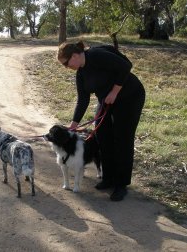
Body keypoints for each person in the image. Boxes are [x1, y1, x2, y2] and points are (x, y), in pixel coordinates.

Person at [57, 41, 145, 201]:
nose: (66, 67)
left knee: (122, 139)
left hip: (130, 97)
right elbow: (82, 100)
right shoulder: (81, 74)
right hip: (107, 100)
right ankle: (108, 178)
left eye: (66, 63)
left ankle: (121, 184)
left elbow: (126, 65)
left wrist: (115, 91)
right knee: (102, 136)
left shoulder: (96, 55)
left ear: (75, 56)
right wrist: (73, 125)